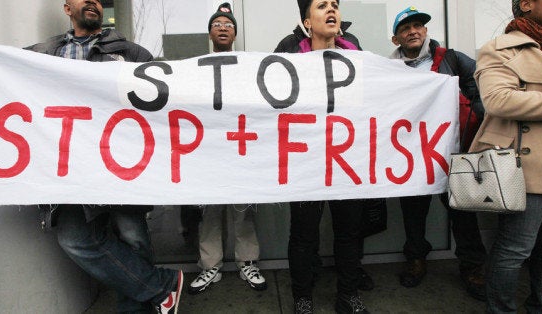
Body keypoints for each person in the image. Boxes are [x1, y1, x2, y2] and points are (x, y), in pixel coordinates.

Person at [0, 1, 183, 313]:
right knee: (75, 239)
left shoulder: (132, 53)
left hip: (120, 165)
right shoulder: (41, 53)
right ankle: (161, 286)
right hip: (70, 168)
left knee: (134, 240)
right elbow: (3, 74)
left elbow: (159, 104)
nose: (91, 1)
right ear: (67, 7)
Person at [274, 1, 386, 313]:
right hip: (306, 161)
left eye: (335, 4)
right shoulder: (290, 52)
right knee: (303, 235)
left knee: (349, 233)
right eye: (322, 5)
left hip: (347, 159)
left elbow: (375, 96)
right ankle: (303, 298)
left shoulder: (356, 52)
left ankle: (348, 297)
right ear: (307, 22)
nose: (331, 9)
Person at [472, 0, 542, 312]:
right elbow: (499, 101)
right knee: (516, 248)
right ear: (527, 4)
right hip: (526, 163)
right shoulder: (502, 48)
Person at [389, 6, 488, 301]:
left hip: (451, 153)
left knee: (463, 213)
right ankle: (416, 259)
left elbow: (483, 85)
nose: (413, 31)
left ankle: (471, 267)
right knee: (413, 213)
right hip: (411, 156)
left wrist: (475, 118)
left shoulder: (452, 59)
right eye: (406, 28)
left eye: (418, 25)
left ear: (426, 31)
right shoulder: (389, 70)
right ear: (396, 39)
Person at [187, 3, 267, 295]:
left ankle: (247, 262)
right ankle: (210, 266)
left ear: (234, 33)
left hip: (239, 147)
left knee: (243, 208)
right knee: (209, 210)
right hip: (208, 149)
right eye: (218, 24)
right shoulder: (194, 67)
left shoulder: (247, 66)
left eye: (229, 24)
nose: (223, 27)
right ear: (210, 32)